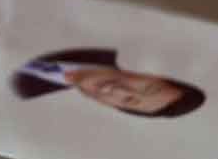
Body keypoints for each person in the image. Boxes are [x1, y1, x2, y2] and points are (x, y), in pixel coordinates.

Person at [11, 48, 205, 118]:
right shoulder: (89, 39)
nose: (115, 90)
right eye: (147, 87)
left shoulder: (28, 91)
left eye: (128, 100)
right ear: (153, 74)